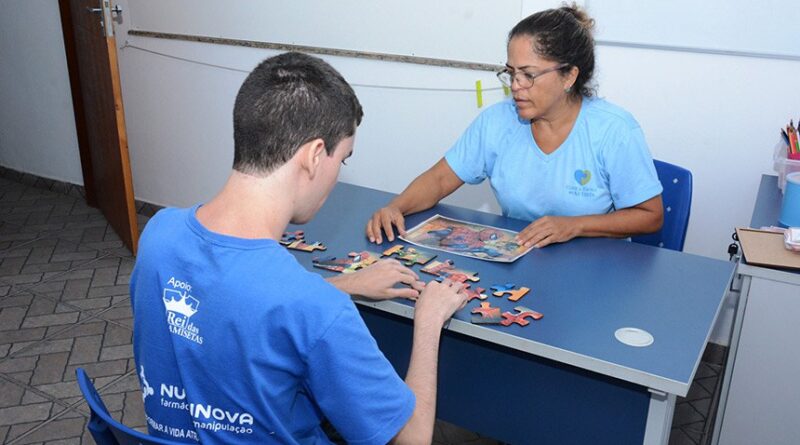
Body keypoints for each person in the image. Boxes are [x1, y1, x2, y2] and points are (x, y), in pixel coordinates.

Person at [130, 52, 468, 445]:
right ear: (312, 156)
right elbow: (412, 440)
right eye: (342, 158)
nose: (338, 174)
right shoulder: (316, 310)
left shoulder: (159, 234)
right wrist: (428, 322)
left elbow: (231, 303)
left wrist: (342, 284)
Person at [366, 4, 664, 249]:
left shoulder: (614, 131)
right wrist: (397, 207)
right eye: (511, 73)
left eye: (528, 75)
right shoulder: (498, 121)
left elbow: (649, 216)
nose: (516, 87)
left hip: (593, 266)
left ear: (569, 76)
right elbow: (441, 179)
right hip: (521, 258)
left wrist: (574, 226)